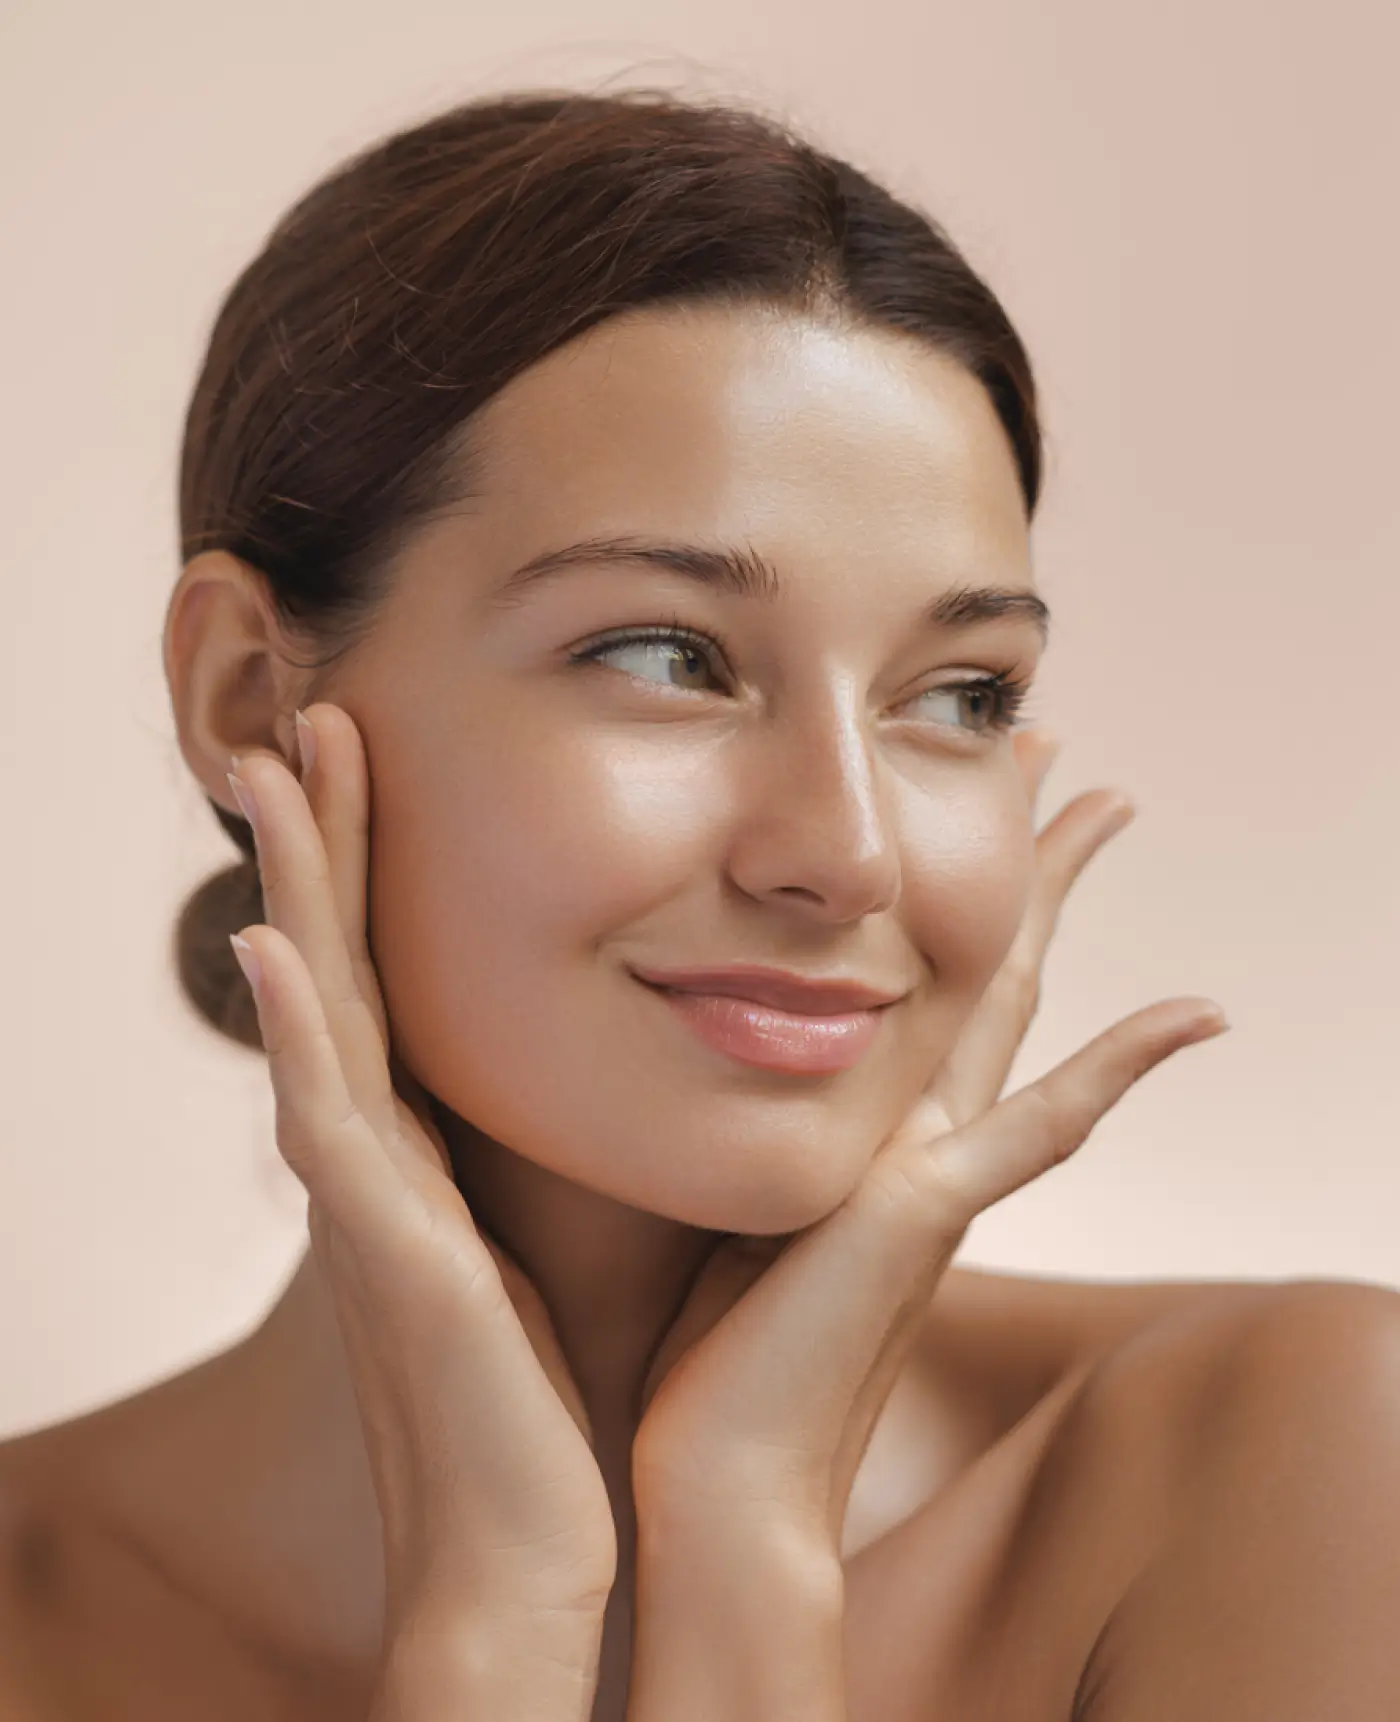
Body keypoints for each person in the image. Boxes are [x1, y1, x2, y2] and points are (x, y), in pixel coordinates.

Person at [2, 86, 1398, 1722]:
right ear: (250, 701)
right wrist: (496, 1627)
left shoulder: (1291, 1467)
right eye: (668, 656)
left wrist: (745, 1557)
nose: (849, 851)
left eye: (957, 693)